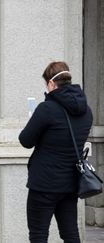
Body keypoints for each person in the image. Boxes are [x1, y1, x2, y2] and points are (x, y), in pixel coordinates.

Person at [19, 61, 93, 243]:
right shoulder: (87, 111)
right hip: (70, 184)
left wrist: (36, 121)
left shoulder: (46, 109)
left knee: (38, 235)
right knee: (70, 234)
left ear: (51, 84)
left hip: (43, 184)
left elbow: (25, 141)